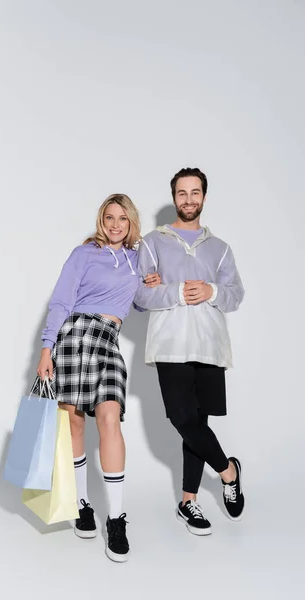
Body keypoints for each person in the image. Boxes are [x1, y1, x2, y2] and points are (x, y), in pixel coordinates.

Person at [36, 194, 160, 561]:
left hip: (108, 340)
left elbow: (137, 301)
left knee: (109, 417)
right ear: (101, 220)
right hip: (74, 336)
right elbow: (60, 301)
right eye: (109, 217)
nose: (116, 224)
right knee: (74, 425)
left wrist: (150, 283)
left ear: (132, 221)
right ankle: (82, 504)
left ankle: (117, 518)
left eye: (123, 218)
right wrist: (46, 349)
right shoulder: (83, 254)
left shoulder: (139, 259)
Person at [134, 167, 245, 536]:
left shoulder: (221, 248)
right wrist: (177, 291)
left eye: (195, 193)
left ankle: (188, 502)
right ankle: (228, 470)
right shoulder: (152, 242)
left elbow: (235, 295)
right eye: (182, 193)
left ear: (204, 197)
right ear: (174, 197)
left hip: (210, 345)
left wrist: (212, 291)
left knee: (198, 425)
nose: (188, 200)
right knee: (182, 417)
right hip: (170, 345)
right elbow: (140, 295)